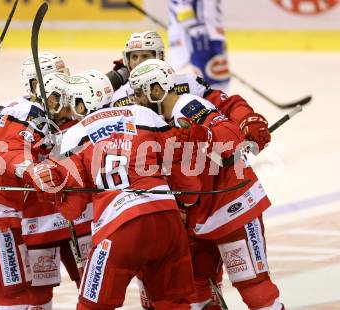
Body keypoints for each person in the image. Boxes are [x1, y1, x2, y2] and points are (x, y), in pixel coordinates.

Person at [27, 69, 200, 309]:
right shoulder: (145, 115)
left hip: (120, 228)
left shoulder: (75, 135)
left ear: (83, 101)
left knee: (92, 306)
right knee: (173, 303)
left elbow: (73, 209)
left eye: (72, 101)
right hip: (166, 219)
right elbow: (186, 177)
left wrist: (52, 191)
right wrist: (185, 204)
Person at [129, 59, 285, 310]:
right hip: (199, 218)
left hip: (232, 207)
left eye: (138, 93)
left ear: (156, 90)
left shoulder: (189, 107)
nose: (134, 101)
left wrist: (204, 135)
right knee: (195, 291)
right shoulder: (156, 121)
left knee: (255, 289)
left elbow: (232, 134)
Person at [0, 52, 91, 309]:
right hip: (34, 217)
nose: (62, 86)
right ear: (34, 85)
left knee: (91, 284)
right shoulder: (13, 110)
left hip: (76, 213)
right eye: (52, 80)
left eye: (63, 76)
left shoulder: (77, 104)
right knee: (30, 292)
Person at [111, 30, 271, 156]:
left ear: (159, 57)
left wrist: (246, 120)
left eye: (145, 56)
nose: (139, 62)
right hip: (150, 168)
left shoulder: (187, 83)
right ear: (127, 60)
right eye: (134, 57)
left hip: (195, 167)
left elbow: (227, 105)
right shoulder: (117, 98)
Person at [168, 0, 230, 91]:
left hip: (213, 32)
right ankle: (213, 103)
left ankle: (219, 102)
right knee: (210, 83)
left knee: (220, 79)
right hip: (202, 35)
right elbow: (180, 4)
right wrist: (194, 29)